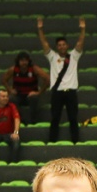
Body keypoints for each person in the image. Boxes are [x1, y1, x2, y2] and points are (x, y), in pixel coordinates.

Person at [37, 16, 87, 144]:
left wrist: (83, 29)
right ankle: (52, 142)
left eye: (64, 44)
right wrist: (40, 29)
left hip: (71, 92)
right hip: (57, 92)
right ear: (57, 47)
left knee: (73, 118)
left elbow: (80, 43)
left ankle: (75, 141)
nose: (62, 47)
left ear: (67, 46)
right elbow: (44, 44)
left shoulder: (74, 56)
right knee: (55, 118)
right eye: (59, 45)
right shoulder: (52, 57)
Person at [5, 51, 47, 124]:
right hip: (18, 94)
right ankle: (20, 120)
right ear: (18, 61)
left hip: (30, 95)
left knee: (34, 98)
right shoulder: (13, 69)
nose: (24, 62)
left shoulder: (34, 69)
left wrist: (39, 92)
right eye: (22, 60)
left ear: (28, 61)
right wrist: (10, 90)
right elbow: (4, 80)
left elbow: (47, 79)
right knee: (11, 98)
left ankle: (33, 121)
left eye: (26, 60)